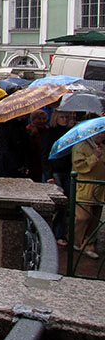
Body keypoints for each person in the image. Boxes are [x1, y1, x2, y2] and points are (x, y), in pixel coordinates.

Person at [42, 111, 75, 245]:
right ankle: (51, 233)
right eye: (62, 117)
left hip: (67, 171)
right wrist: (48, 174)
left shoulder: (70, 132)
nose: (65, 119)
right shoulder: (49, 133)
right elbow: (45, 155)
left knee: (66, 205)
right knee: (56, 204)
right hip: (55, 171)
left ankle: (59, 233)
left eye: (66, 117)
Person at [71, 130, 105, 260]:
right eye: (99, 133)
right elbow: (79, 166)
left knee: (95, 219)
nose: (101, 136)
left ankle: (89, 245)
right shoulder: (81, 146)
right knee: (82, 217)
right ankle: (76, 241)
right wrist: (94, 156)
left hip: (100, 188)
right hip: (85, 188)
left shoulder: (102, 147)